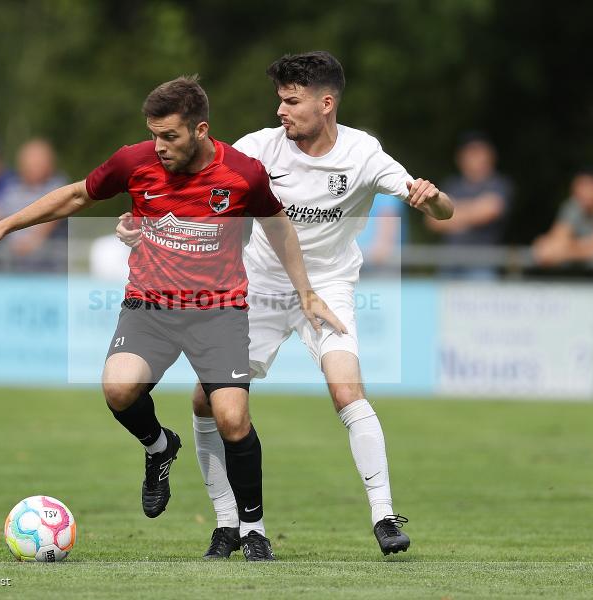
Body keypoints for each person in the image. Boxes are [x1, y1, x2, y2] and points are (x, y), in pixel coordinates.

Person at [0, 76, 344, 561]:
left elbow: (278, 225)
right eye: (154, 135)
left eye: (170, 136)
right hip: (151, 306)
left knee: (231, 416)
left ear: (200, 130)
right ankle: (159, 446)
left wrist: (306, 291)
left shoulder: (243, 174)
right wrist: (2, 225)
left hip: (217, 310)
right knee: (118, 389)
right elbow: (77, 195)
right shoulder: (134, 161)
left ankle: (253, 530)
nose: (159, 147)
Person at [118, 52, 453, 559]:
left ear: (326, 103)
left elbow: (443, 210)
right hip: (259, 287)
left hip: (329, 289)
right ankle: (230, 526)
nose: (281, 111)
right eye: (280, 100)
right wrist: (145, 222)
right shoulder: (258, 149)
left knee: (347, 389)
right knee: (206, 401)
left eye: (291, 101)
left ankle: (384, 516)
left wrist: (433, 199)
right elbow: (199, 185)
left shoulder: (364, 154)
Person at [0, 139, 67, 271]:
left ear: (49, 165)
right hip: (14, 270)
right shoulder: (13, 188)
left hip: (49, 272)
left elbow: (51, 216)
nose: (32, 167)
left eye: (37, 163)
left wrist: (29, 243)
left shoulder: (58, 186)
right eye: (29, 163)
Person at [426, 132, 513, 278]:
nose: (475, 158)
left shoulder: (499, 184)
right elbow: (431, 221)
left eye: (479, 152)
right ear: (460, 158)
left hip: (483, 264)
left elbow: (491, 210)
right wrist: (475, 210)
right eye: (470, 153)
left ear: (490, 156)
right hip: (449, 263)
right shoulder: (451, 184)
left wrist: (452, 212)